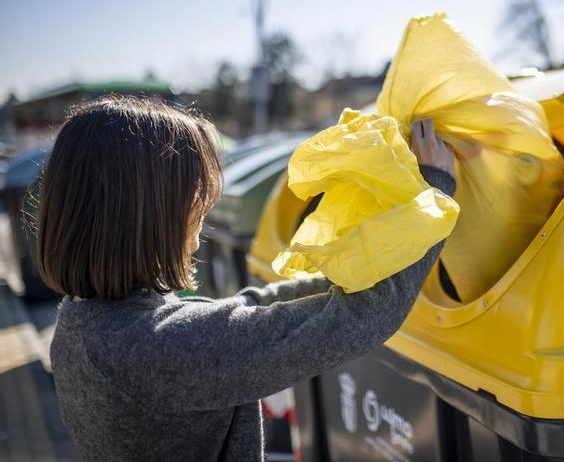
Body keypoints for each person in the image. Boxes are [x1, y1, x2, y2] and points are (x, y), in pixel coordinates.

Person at [39, 96, 456, 461]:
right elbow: (361, 319)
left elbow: (245, 311)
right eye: (195, 202)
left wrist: (343, 273)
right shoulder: (158, 351)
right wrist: (436, 188)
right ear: (148, 216)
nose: (201, 224)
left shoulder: (83, 323)